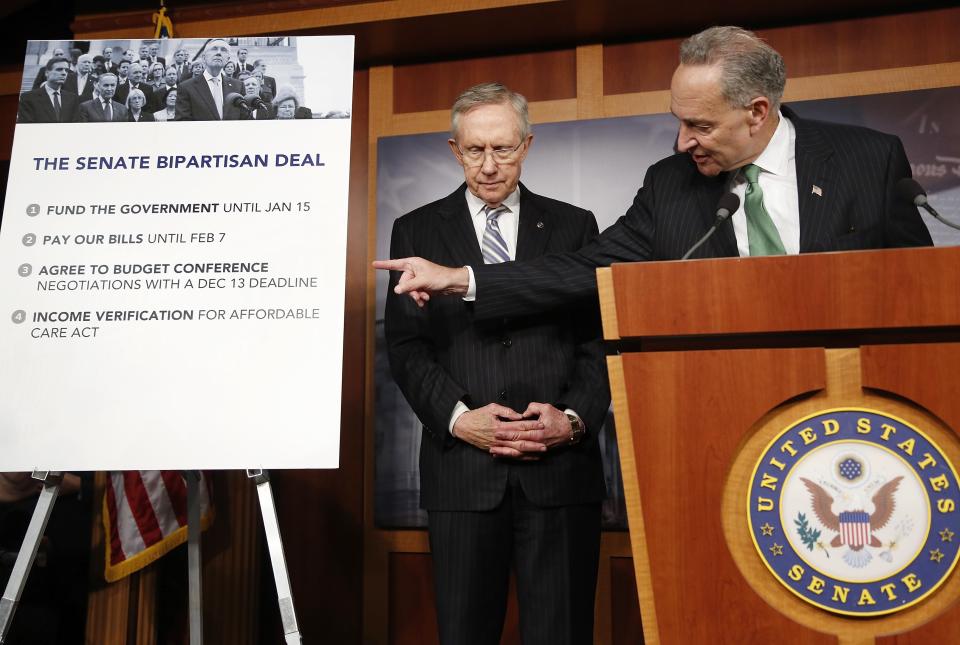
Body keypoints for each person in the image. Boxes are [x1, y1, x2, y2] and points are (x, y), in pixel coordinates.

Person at [376, 26, 934, 319]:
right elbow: (581, 270)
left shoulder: (870, 160)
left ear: (757, 112)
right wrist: (462, 278)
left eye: (700, 126)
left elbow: (918, 293)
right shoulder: (670, 184)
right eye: (678, 121)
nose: (681, 141)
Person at [383, 82, 609, 645]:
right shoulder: (416, 230)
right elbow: (407, 348)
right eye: (475, 151)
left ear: (527, 145)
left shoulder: (574, 227)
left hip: (560, 474)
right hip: (462, 474)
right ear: (454, 150)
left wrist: (574, 420)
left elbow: (599, 343)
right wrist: (460, 419)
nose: (489, 166)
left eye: (503, 149)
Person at [175, 38, 248, 121]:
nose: (218, 53)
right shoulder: (186, 87)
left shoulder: (238, 86)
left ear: (227, 59)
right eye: (214, 49)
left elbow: (244, 119)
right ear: (204, 58)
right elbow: (182, 123)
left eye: (223, 50)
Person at [17, 56, 80, 123]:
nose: (64, 73)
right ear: (47, 73)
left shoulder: (72, 98)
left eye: (66, 70)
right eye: (59, 69)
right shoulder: (28, 98)